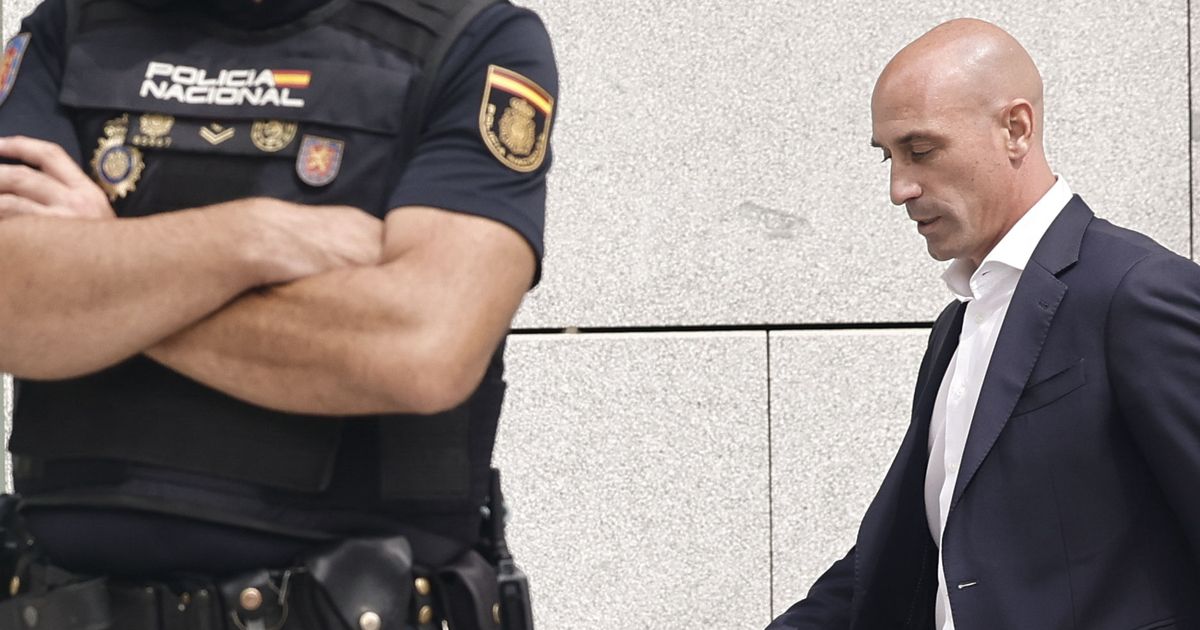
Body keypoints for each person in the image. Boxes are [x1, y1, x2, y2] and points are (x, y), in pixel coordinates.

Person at [0, 0, 555, 627]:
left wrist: (97, 278)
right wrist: (253, 237)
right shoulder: (72, 29)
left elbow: (422, 350)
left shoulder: (470, 40)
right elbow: (9, 303)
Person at [769, 18, 1200, 630]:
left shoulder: (1137, 292)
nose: (899, 187)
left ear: (1015, 130)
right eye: (888, 156)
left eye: (920, 150)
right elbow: (899, 557)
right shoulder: (957, 326)